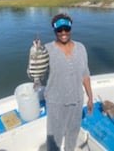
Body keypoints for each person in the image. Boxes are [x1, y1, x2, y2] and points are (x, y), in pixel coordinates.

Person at [44, 13, 93, 151]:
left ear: (71, 29)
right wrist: (34, 58)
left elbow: (85, 75)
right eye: (59, 30)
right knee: (54, 137)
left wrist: (90, 97)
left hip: (77, 100)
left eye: (66, 29)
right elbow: (34, 72)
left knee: (73, 133)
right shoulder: (46, 49)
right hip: (55, 102)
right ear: (54, 31)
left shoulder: (81, 48)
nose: (63, 33)